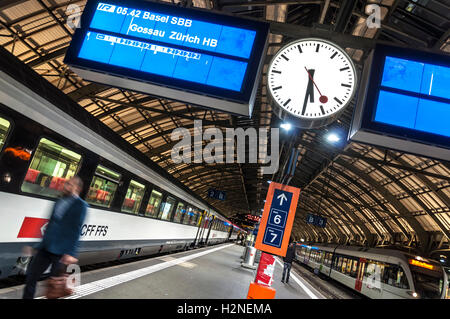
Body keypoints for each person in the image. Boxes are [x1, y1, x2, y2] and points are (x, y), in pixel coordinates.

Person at [22, 176, 88, 299]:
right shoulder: (59, 200)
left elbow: (76, 230)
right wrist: (37, 246)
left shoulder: (81, 205)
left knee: (55, 286)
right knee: (31, 276)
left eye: (69, 184)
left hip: (61, 252)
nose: (66, 186)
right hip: (46, 247)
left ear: (77, 188)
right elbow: (50, 225)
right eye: (66, 183)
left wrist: (71, 253)